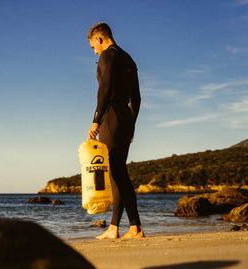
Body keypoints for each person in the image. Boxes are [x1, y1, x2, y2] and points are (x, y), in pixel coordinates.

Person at [87, 22, 144, 239]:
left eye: (94, 46)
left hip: (111, 117)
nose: (95, 51)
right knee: (120, 173)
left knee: (117, 174)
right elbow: (137, 98)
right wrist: (132, 124)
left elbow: (105, 89)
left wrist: (96, 120)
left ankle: (115, 228)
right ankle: (134, 228)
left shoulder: (108, 56)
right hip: (126, 118)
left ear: (100, 39)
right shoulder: (129, 59)